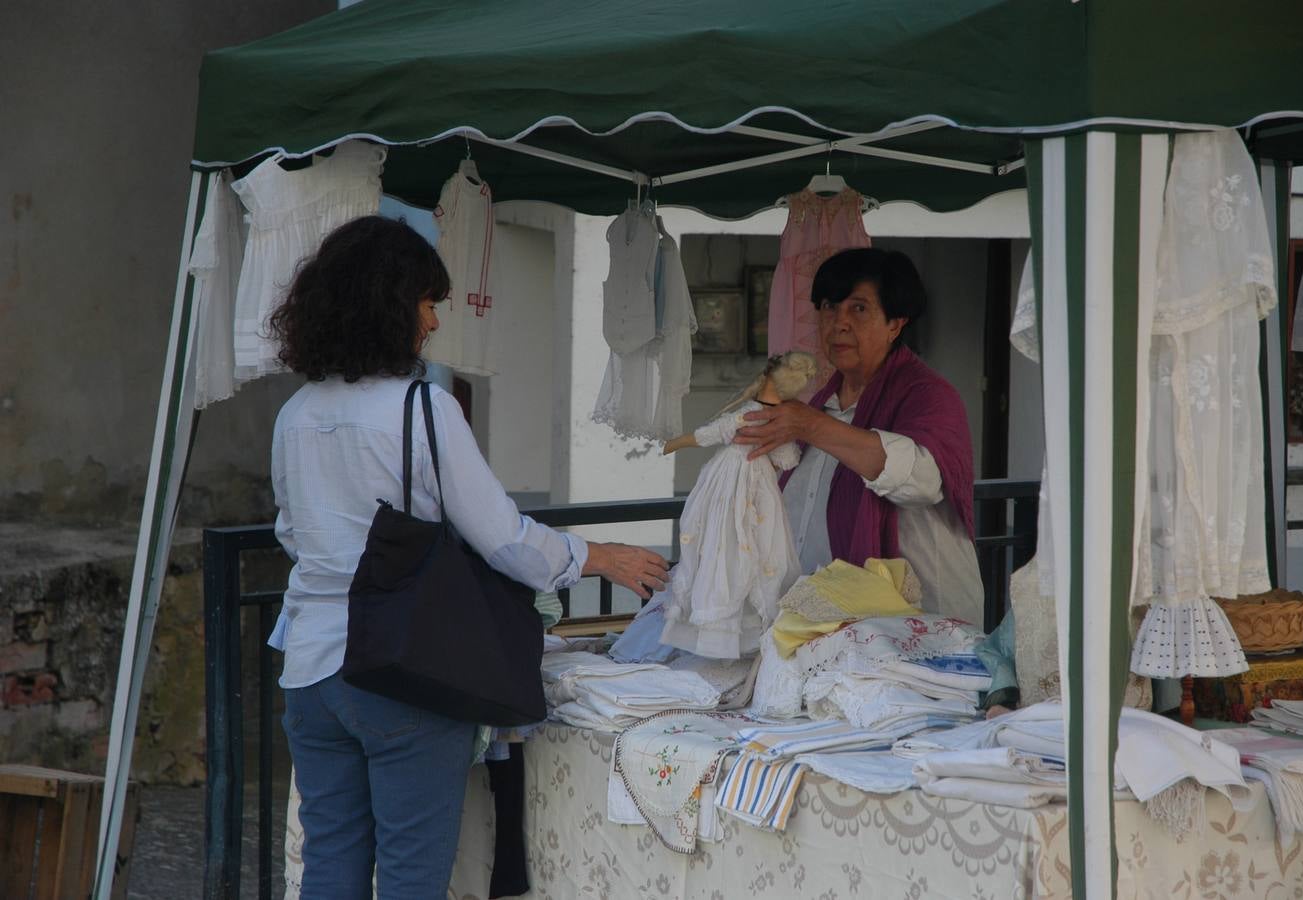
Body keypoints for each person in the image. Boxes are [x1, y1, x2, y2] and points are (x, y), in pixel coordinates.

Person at [265, 215, 668, 899]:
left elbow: (291, 534)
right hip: (399, 668)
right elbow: (503, 538)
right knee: (411, 877)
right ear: (391, 306)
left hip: (309, 665)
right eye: (427, 302)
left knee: (328, 864)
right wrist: (597, 555)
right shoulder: (423, 407)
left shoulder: (297, 412)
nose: (432, 321)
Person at [735, 247, 984, 628]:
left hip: (923, 625)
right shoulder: (821, 403)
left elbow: (923, 481)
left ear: (895, 323)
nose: (839, 323)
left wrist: (811, 426)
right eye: (829, 307)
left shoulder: (929, 395)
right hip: (829, 625)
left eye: (859, 309)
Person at [655, 351, 817, 658]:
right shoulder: (773, 418)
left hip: (733, 482)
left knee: (729, 546)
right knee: (751, 547)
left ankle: (731, 628)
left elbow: (710, 434)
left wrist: (675, 443)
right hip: (749, 485)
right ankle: (744, 627)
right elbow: (788, 458)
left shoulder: (752, 415)